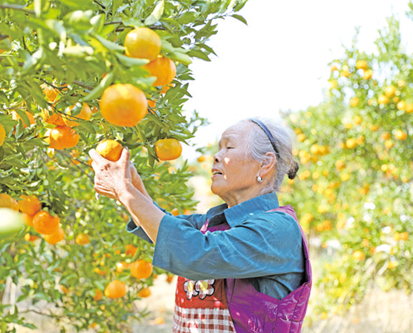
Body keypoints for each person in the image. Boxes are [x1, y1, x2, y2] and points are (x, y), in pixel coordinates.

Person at [89, 117, 312, 333]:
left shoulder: (277, 229)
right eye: (218, 148)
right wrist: (133, 187)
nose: (216, 156)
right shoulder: (213, 224)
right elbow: (167, 229)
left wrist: (124, 190)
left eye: (229, 147)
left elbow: (195, 252)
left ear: (265, 164)